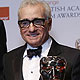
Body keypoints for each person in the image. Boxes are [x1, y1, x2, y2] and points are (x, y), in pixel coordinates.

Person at [3, 0, 80, 80]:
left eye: (38, 22)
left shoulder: (73, 58)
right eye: (25, 23)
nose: (32, 29)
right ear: (19, 26)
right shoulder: (8, 59)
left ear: (49, 24)